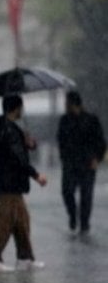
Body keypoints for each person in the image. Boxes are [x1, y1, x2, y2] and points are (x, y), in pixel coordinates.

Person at [0, 94, 48, 273]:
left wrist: (28, 143)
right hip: (8, 183)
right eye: (21, 107)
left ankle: (25, 258)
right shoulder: (7, 129)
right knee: (3, 222)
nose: (23, 111)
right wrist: (36, 176)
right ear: (16, 108)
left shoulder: (6, 127)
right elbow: (18, 158)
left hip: (9, 183)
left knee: (22, 221)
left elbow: (19, 149)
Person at [56, 90, 106, 235]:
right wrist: (63, 157)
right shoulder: (64, 120)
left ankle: (84, 223)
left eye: (67, 102)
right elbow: (61, 140)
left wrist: (97, 158)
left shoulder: (91, 120)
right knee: (67, 192)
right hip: (70, 163)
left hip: (87, 163)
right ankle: (73, 215)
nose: (65, 105)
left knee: (86, 195)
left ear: (72, 104)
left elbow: (100, 141)